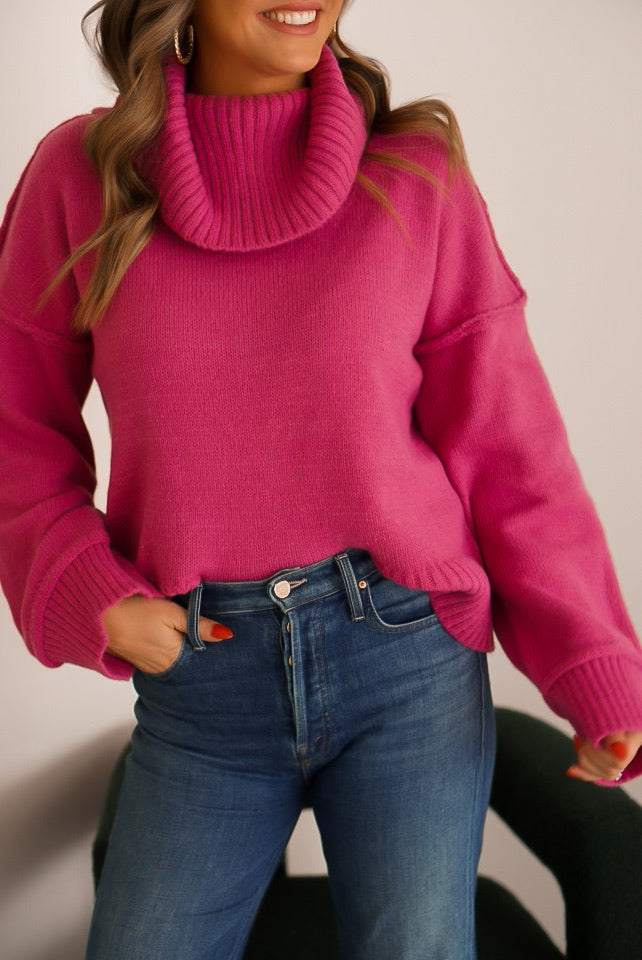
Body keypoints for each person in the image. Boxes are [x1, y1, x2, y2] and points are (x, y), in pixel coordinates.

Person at [1, 1, 641, 957]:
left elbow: (513, 452)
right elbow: (16, 426)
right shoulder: (82, 179)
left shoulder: (416, 177)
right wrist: (87, 592)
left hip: (406, 664)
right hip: (202, 684)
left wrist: (595, 663)